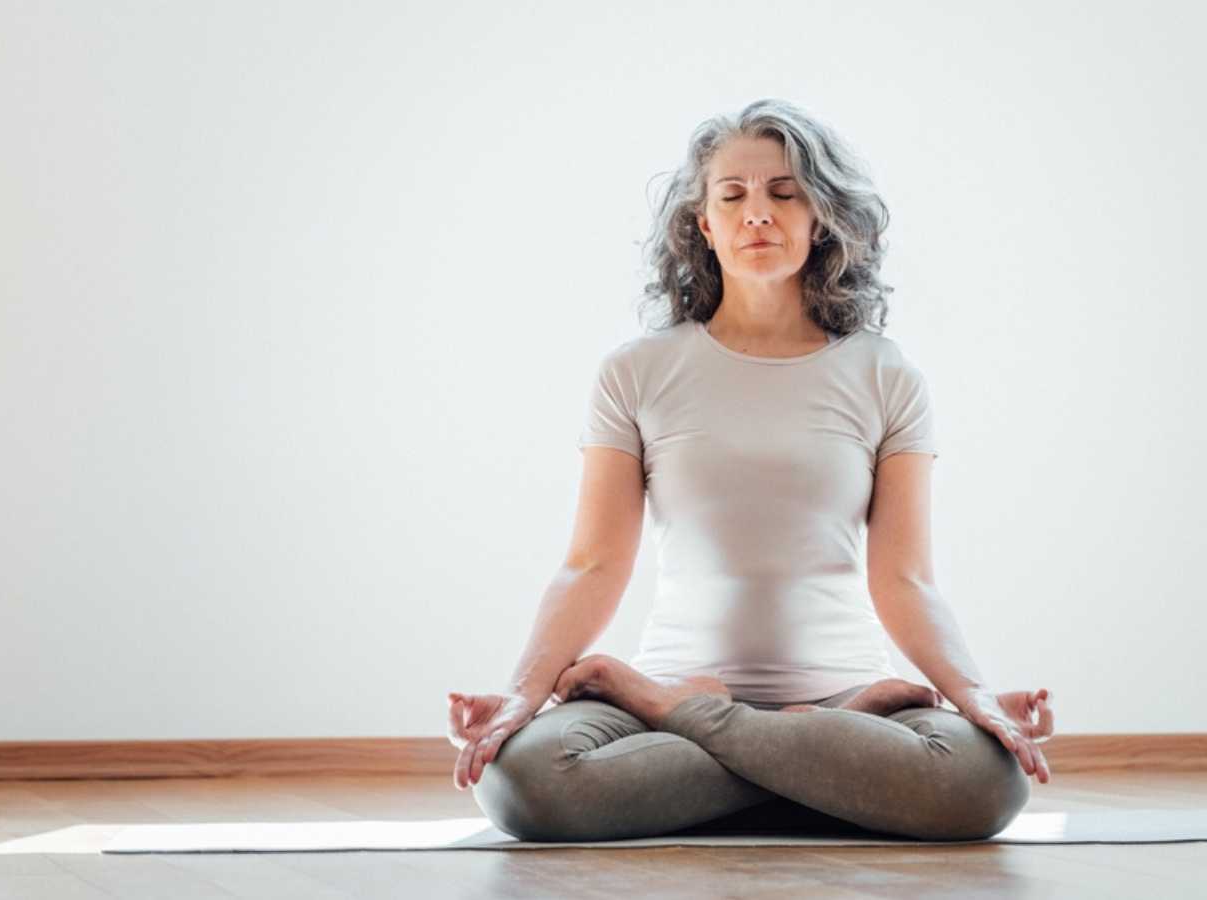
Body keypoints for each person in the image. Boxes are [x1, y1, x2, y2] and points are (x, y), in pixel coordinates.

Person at [446, 99, 1055, 843]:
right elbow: (593, 562)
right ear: (705, 225)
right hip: (705, 687)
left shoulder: (885, 375)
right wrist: (520, 695)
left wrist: (975, 698)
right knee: (525, 783)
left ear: (821, 216)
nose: (757, 213)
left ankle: (698, 723)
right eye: (732, 196)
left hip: (829, 692)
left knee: (984, 785)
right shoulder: (637, 372)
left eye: (784, 192)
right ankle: (813, 770)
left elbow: (907, 579)